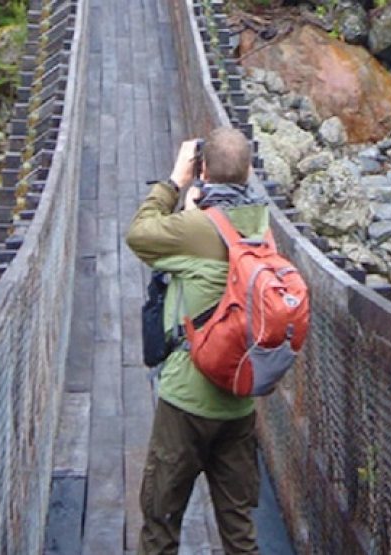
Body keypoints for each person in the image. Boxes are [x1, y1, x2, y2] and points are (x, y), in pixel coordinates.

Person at [126, 127, 268, 554]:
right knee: (238, 524)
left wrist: (174, 182)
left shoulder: (195, 228)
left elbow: (140, 234)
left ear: (203, 168)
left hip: (187, 400)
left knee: (161, 518)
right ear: (247, 173)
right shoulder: (260, 226)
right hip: (240, 397)